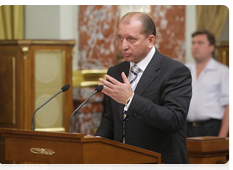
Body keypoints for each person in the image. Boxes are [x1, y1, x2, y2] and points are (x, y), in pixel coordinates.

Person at [95, 12, 192, 170]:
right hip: (122, 163)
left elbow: (174, 119)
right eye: (120, 37)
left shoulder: (175, 71)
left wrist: (131, 100)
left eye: (131, 39)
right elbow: (111, 118)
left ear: (150, 40)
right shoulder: (115, 71)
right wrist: (97, 141)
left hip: (159, 163)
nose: (124, 45)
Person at [186, 30, 231, 138]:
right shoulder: (185, 69)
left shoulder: (222, 71)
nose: (195, 46)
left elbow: (229, 106)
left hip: (211, 128)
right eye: (193, 43)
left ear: (211, 47)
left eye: (200, 43)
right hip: (187, 128)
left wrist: (222, 137)